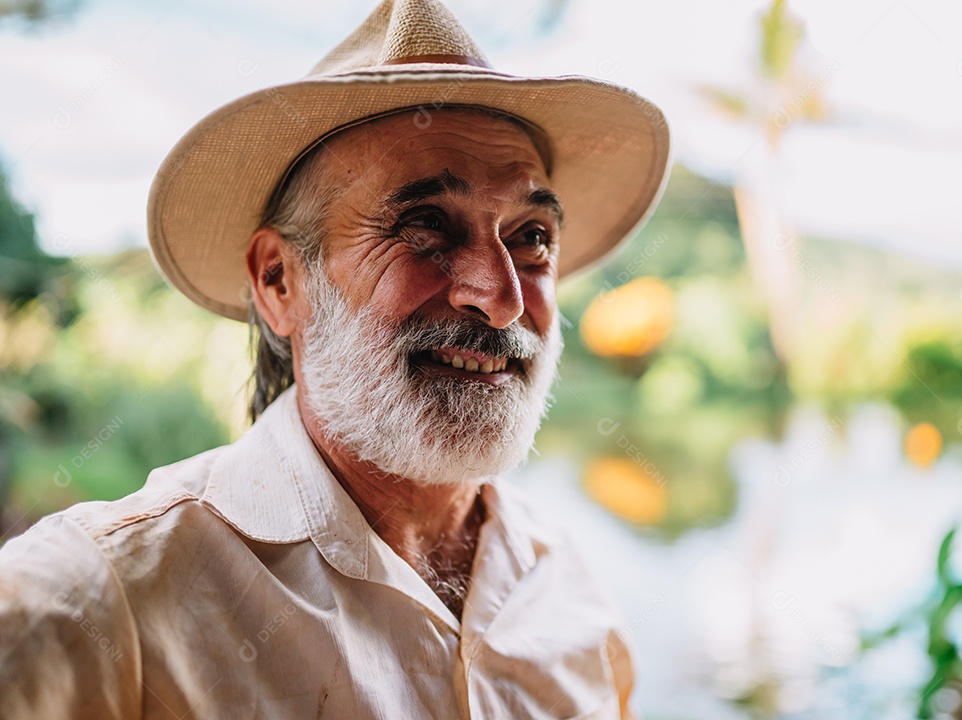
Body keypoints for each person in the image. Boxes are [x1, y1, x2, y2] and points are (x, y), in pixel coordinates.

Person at [0, 0, 669, 717]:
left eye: (531, 236)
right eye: (425, 227)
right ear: (279, 282)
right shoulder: (86, 604)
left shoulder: (571, 593)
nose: (501, 298)